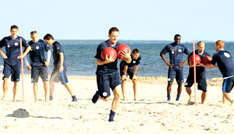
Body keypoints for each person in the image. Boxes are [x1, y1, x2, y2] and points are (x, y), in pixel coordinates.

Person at [92, 27, 132, 122]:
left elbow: (129, 61)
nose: (115, 38)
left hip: (114, 72)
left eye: (117, 36)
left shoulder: (120, 46)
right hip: (103, 73)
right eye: (113, 36)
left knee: (118, 95)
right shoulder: (102, 46)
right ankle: (99, 93)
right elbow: (97, 62)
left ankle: (111, 117)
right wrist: (105, 61)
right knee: (106, 98)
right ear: (109, 35)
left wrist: (128, 57)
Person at [0, 25, 31, 102]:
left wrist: (23, 55)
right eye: (12, 31)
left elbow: (29, 47)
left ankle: (14, 97)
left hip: (17, 63)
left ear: (17, 31)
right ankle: (4, 95)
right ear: (10, 31)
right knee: (5, 79)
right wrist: (3, 54)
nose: (14, 32)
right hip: (7, 62)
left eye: (15, 31)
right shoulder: (6, 39)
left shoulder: (20, 39)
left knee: (16, 82)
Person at [43, 34, 77, 102]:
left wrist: (61, 66)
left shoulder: (57, 45)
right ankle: (51, 97)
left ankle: (73, 96)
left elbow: (61, 55)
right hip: (56, 66)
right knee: (51, 81)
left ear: (50, 39)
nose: (47, 43)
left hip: (60, 66)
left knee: (64, 82)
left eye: (47, 41)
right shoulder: (52, 46)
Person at [201, 40, 234, 105]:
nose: (215, 47)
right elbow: (225, 64)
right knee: (224, 89)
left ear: (218, 46)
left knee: (225, 92)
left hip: (228, 76)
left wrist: (202, 65)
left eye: (215, 46)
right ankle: (224, 103)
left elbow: (210, 66)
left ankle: (232, 102)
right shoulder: (228, 52)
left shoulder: (216, 55)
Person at [160, 34, 190, 101]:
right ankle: (168, 98)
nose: (178, 40)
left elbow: (190, 55)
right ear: (174, 39)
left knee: (180, 83)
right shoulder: (169, 46)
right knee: (169, 83)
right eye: (177, 39)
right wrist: (167, 62)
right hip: (172, 67)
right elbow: (161, 54)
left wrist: (184, 62)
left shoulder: (182, 47)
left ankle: (178, 98)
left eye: (179, 39)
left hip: (180, 67)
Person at [25, 31, 51, 102]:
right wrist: (27, 64)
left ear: (37, 36)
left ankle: (46, 98)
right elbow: (25, 55)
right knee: (35, 83)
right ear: (31, 37)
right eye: (33, 37)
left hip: (43, 65)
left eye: (36, 36)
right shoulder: (29, 44)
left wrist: (48, 61)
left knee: (45, 82)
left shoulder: (42, 42)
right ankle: (36, 99)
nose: (34, 38)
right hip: (34, 66)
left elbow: (48, 51)